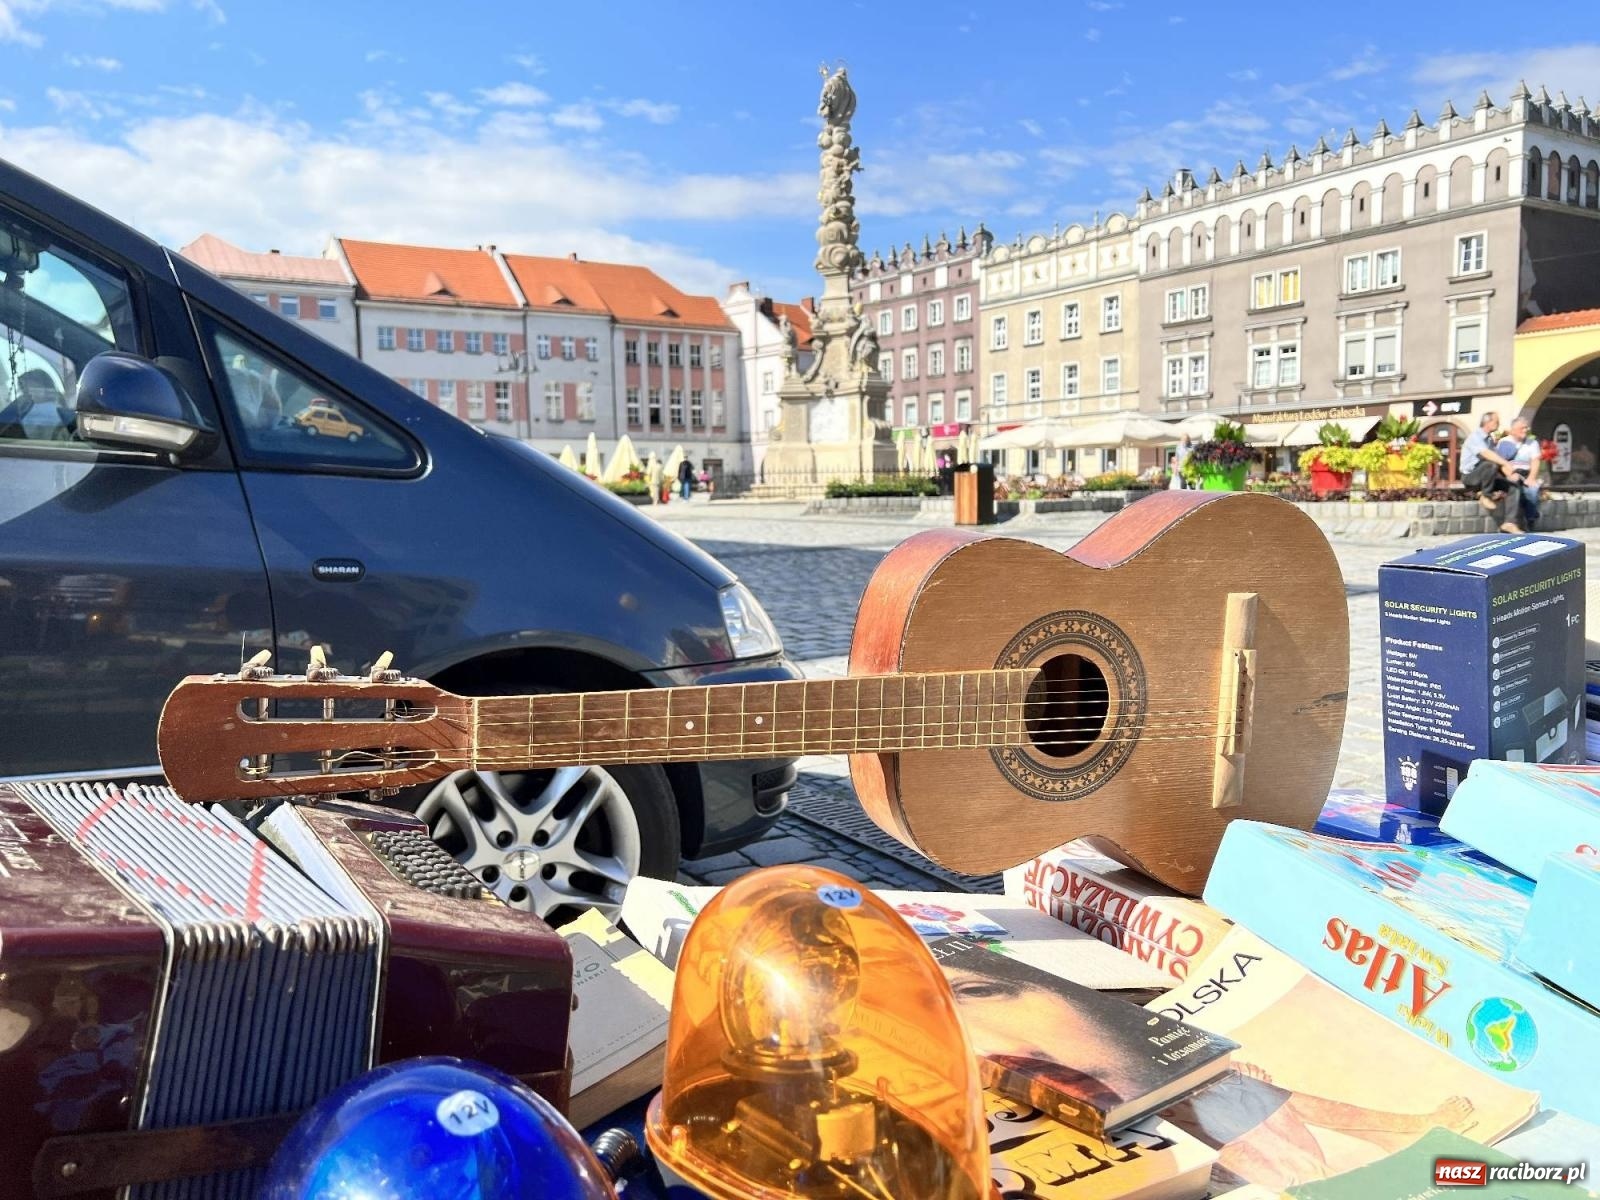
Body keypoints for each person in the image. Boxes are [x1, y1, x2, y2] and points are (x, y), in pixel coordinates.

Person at [1458, 411, 1523, 534]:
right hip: (1470, 477)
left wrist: (1509, 473)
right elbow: (1487, 455)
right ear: (1487, 422)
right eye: (1496, 421)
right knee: (1490, 464)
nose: (1498, 424)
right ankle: (1485, 496)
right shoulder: (1475, 436)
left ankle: (1509, 523)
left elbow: (1497, 460)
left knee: (1513, 487)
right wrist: (1505, 464)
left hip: (1487, 477)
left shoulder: (1489, 440)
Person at [1497, 418, 1543, 531]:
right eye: (1522, 428)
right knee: (1515, 488)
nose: (1525, 430)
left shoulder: (1532, 443)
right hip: (1510, 472)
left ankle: (1530, 519)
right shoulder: (1504, 442)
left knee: (1531, 490)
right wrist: (1510, 474)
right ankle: (1513, 523)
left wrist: (1531, 478)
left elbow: (1535, 461)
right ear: (1513, 429)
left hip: (1526, 473)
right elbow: (1501, 462)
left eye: (1526, 428)